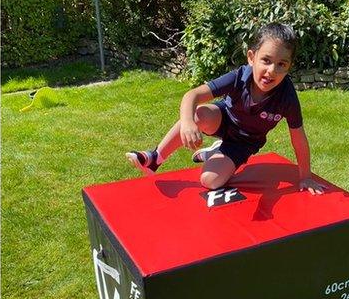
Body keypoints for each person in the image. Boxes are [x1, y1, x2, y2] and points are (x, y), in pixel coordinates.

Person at [127, 22, 326, 194]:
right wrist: (188, 122)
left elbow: (298, 138)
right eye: (266, 60)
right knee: (199, 114)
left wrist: (305, 177)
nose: (271, 70)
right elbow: (192, 95)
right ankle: (155, 158)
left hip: (244, 142)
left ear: (289, 67)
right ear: (251, 57)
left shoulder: (287, 97)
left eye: (281, 64)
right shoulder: (240, 76)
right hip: (224, 119)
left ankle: (216, 151)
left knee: (210, 181)